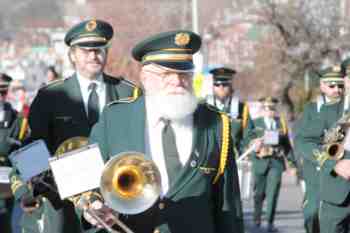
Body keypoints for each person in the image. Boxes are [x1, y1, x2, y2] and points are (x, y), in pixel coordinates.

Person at [79, 30, 244, 233]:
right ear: (145, 77)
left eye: (184, 73)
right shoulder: (115, 118)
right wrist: (91, 205)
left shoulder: (216, 124)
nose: (177, 81)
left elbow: (229, 207)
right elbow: (84, 182)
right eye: (166, 74)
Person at [9, 19, 139, 233]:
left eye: (99, 50)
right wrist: (26, 191)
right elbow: (34, 146)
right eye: (86, 50)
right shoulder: (50, 96)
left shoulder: (129, 93)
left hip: (115, 199)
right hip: (63, 203)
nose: (93, 56)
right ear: (72, 55)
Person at [294, 66, 345, 233]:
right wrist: (324, 158)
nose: (337, 89)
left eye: (340, 85)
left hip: (342, 175)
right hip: (317, 171)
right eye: (332, 86)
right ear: (322, 86)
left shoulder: (344, 107)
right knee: (313, 214)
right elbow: (302, 140)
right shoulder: (312, 109)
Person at [251, 97, 293, 232]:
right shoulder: (255, 123)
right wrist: (254, 146)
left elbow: (287, 146)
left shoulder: (281, 124)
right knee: (259, 194)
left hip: (276, 162)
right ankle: (256, 219)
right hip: (260, 162)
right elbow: (247, 139)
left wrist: (293, 164)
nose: (270, 111)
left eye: (272, 108)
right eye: (267, 108)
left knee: (273, 193)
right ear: (263, 109)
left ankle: (269, 222)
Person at [0, 73, 28, 233]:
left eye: (3, 92)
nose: (0, 97)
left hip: (9, 185)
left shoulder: (18, 121)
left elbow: (26, 156)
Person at [206, 67, 255, 156]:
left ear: (231, 86)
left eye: (225, 84)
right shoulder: (203, 106)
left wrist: (251, 143)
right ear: (212, 86)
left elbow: (249, 134)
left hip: (234, 159)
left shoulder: (242, 108)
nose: (221, 87)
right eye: (217, 84)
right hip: (208, 158)